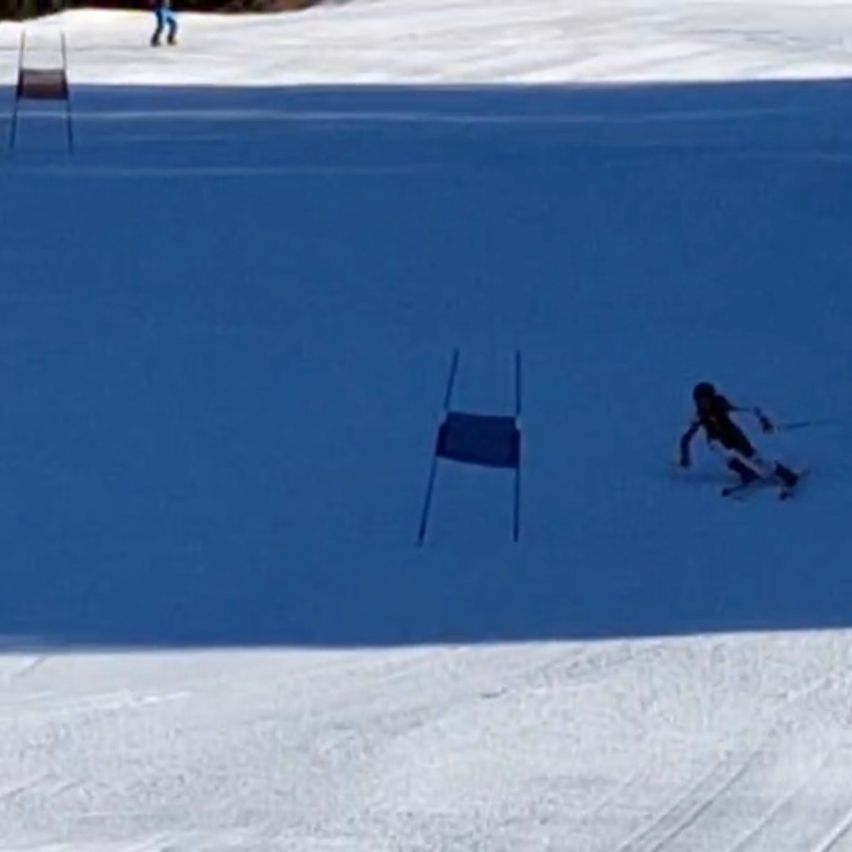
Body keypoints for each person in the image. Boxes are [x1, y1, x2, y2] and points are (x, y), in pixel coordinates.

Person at [679, 381, 799, 491]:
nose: (701, 404)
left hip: (732, 434)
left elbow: (751, 409)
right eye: (698, 401)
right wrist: (685, 455)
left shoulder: (722, 403)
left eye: (704, 400)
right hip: (717, 438)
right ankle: (746, 473)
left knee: (754, 457)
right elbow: (687, 437)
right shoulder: (699, 414)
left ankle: (785, 474)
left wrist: (764, 421)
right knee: (716, 447)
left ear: (711, 397)